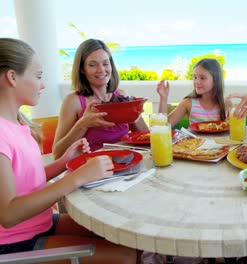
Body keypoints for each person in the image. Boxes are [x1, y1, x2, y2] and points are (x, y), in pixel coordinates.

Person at [0, 38, 137, 263]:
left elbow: (25, 181)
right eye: (38, 76)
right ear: (12, 77)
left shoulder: (18, 124)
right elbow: (8, 214)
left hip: (41, 223)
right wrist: (78, 177)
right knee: (126, 256)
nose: (42, 85)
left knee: (127, 234)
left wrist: (64, 162)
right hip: (16, 242)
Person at [53, 39, 148, 159]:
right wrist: (82, 125)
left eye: (105, 63)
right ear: (82, 69)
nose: (101, 70)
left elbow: (145, 138)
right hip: (93, 170)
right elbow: (57, 154)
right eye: (92, 65)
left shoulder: (121, 95)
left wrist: (135, 114)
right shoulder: (73, 102)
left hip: (126, 164)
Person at [157, 58, 227, 127]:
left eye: (202, 78)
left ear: (215, 80)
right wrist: (163, 98)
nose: (196, 82)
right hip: (195, 139)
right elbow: (163, 126)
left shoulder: (225, 104)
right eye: (195, 77)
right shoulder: (188, 103)